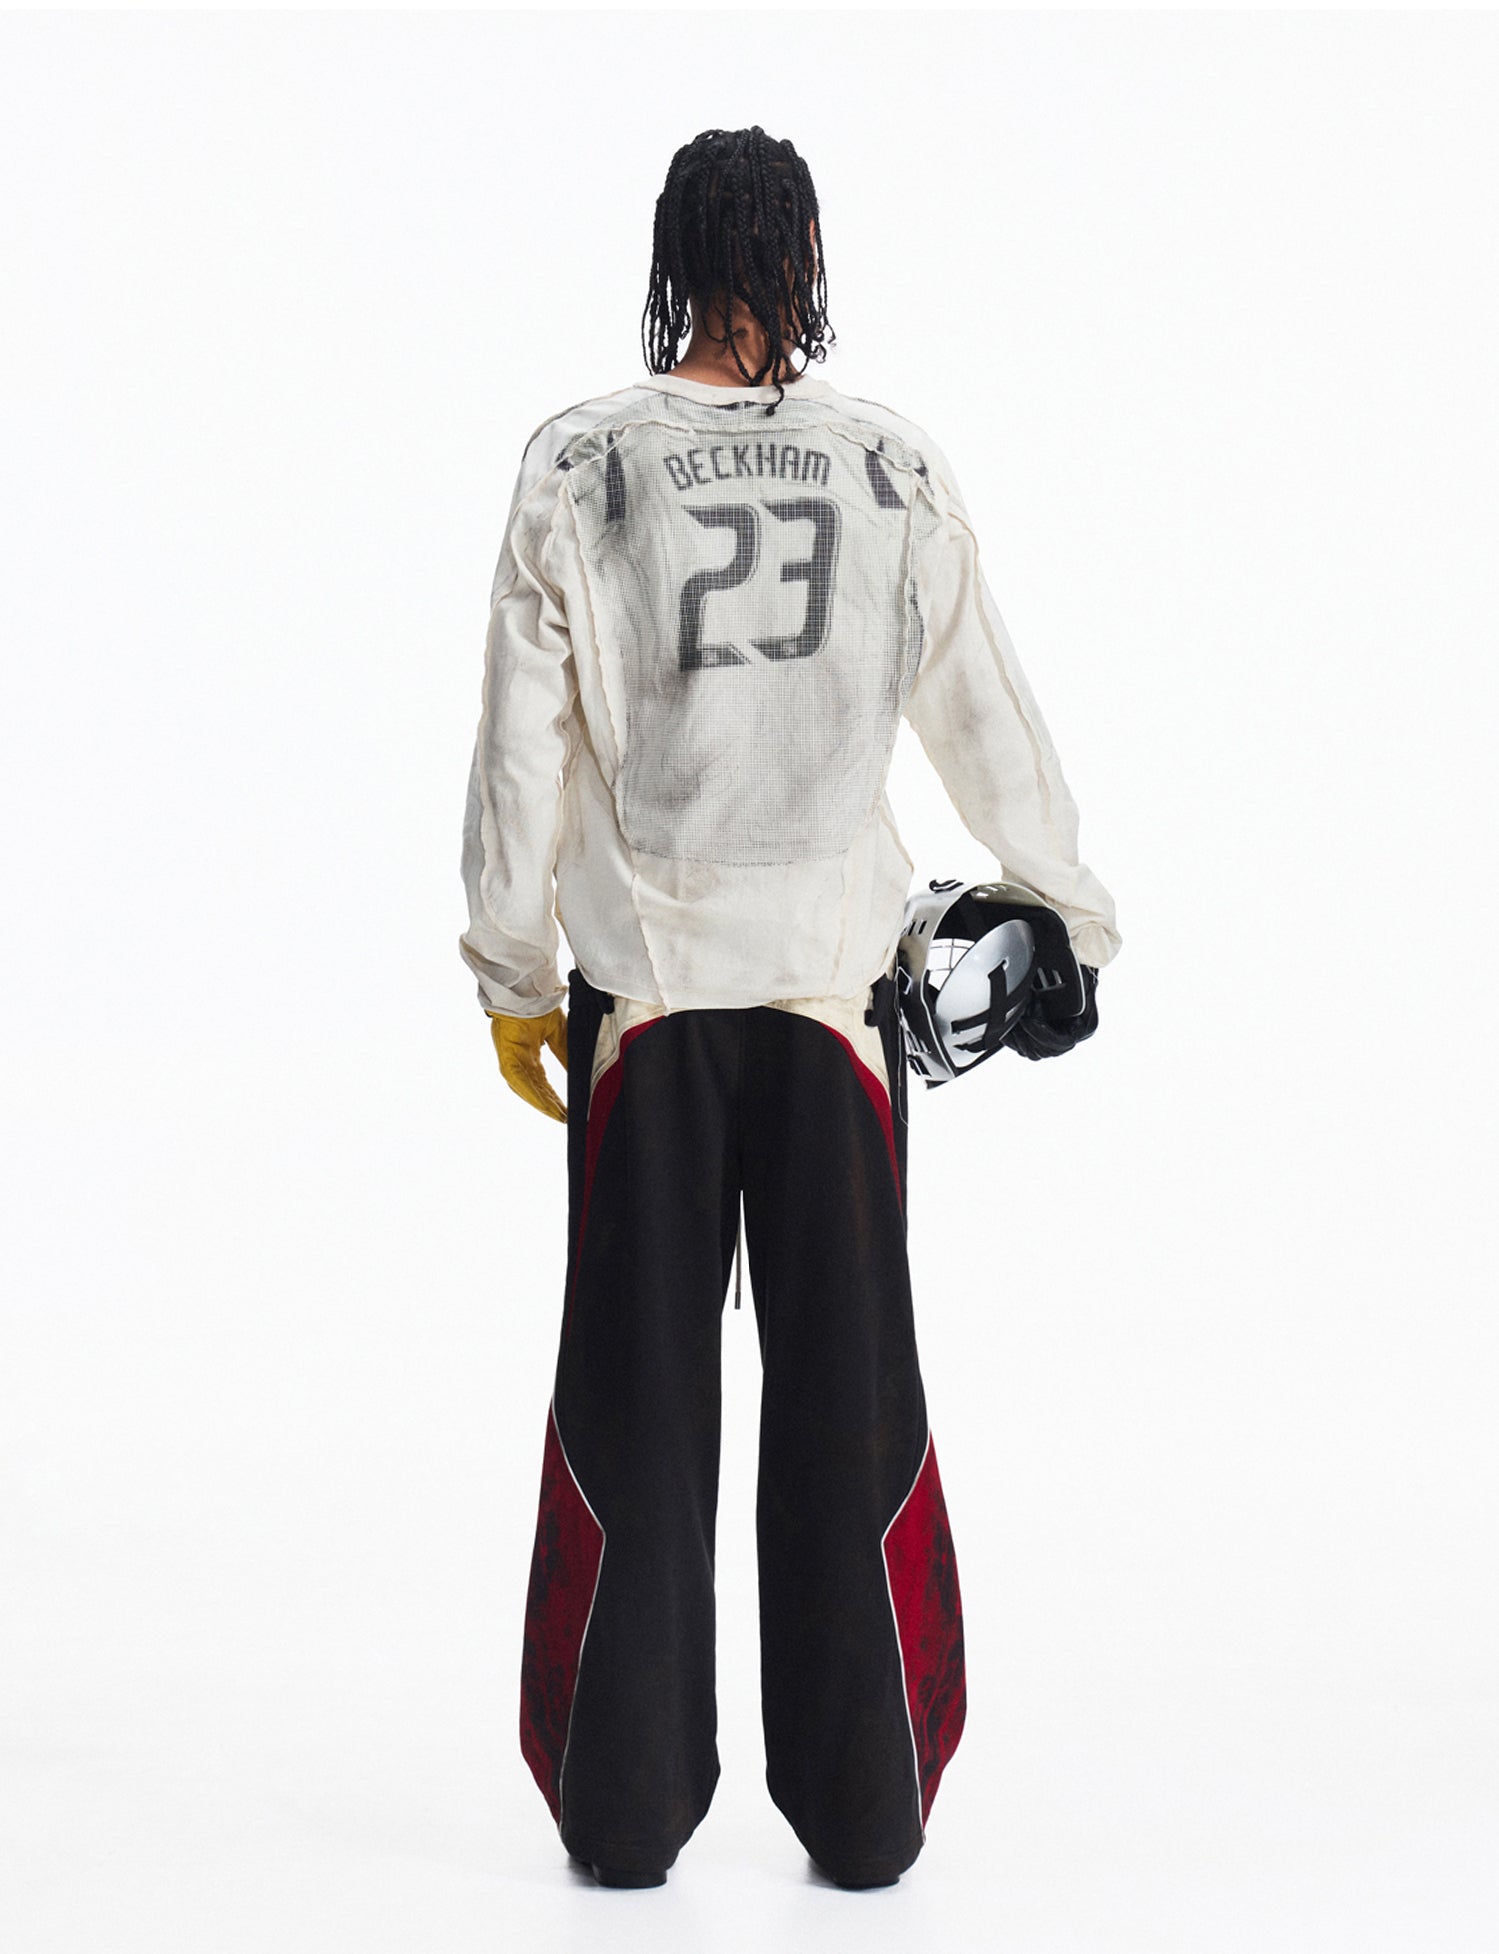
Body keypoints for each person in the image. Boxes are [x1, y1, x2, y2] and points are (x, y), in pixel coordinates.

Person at [459, 125, 1121, 1892]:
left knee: (635, 1407)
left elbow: (519, 753)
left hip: (647, 1010)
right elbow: (987, 711)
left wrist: (513, 974)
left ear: (669, 258)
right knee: (852, 1400)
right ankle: (869, 1811)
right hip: (838, 1012)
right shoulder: (890, 467)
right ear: (807, 253)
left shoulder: (579, 464)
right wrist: (1068, 911)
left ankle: (622, 1816)